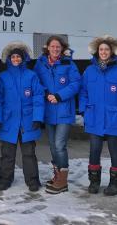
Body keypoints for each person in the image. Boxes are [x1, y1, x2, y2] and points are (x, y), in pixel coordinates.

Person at [79, 35, 117, 196]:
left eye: (106, 49)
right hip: (94, 116)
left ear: (111, 52)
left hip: (114, 117)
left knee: (114, 150)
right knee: (94, 149)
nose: (103, 52)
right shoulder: (89, 71)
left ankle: (115, 184)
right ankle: (94, 182)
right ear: (97, 51)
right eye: (101, 49)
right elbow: (83, 92)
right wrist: (84, 109)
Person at [0, 42, 44, 192]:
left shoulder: (31, 75)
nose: (16, 59)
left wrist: (37, 118)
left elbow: (38, 97)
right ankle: (5, 179)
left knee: (29, 153)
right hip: (9, 120)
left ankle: (32, 180)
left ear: (23, 58)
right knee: (7, 153)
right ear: (9, 59)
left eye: (18, 57)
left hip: (27, 121)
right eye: (13, 57)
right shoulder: (3, 77)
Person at [34, 36, 82, 194]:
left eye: (58, 47)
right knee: (53, 146)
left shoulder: (69, 64)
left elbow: (76, 84)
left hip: (64, 111)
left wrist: (59, 96)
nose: (55, 49)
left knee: (60, 145)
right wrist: (46, 93)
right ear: (47, 47)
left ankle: (63, 181)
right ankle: (57, 175)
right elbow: (36, 82)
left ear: (62, 49)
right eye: (52, 46)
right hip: (48, 111)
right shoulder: (40, 64)